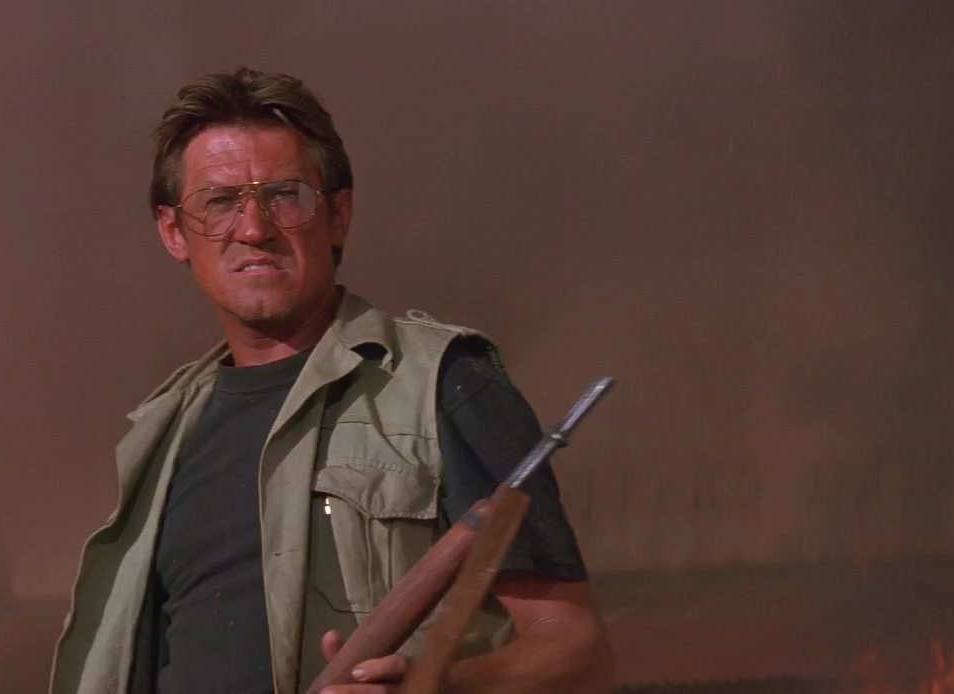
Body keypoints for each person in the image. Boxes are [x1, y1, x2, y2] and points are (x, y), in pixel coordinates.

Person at [50, 66, 613, 694]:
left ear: (338, 215)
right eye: (220, 202)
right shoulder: (163, 432)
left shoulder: (445, 384)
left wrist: (439, 687)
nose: (254, 229)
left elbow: (575, 651)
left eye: (285, 195)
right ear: (173, 232)